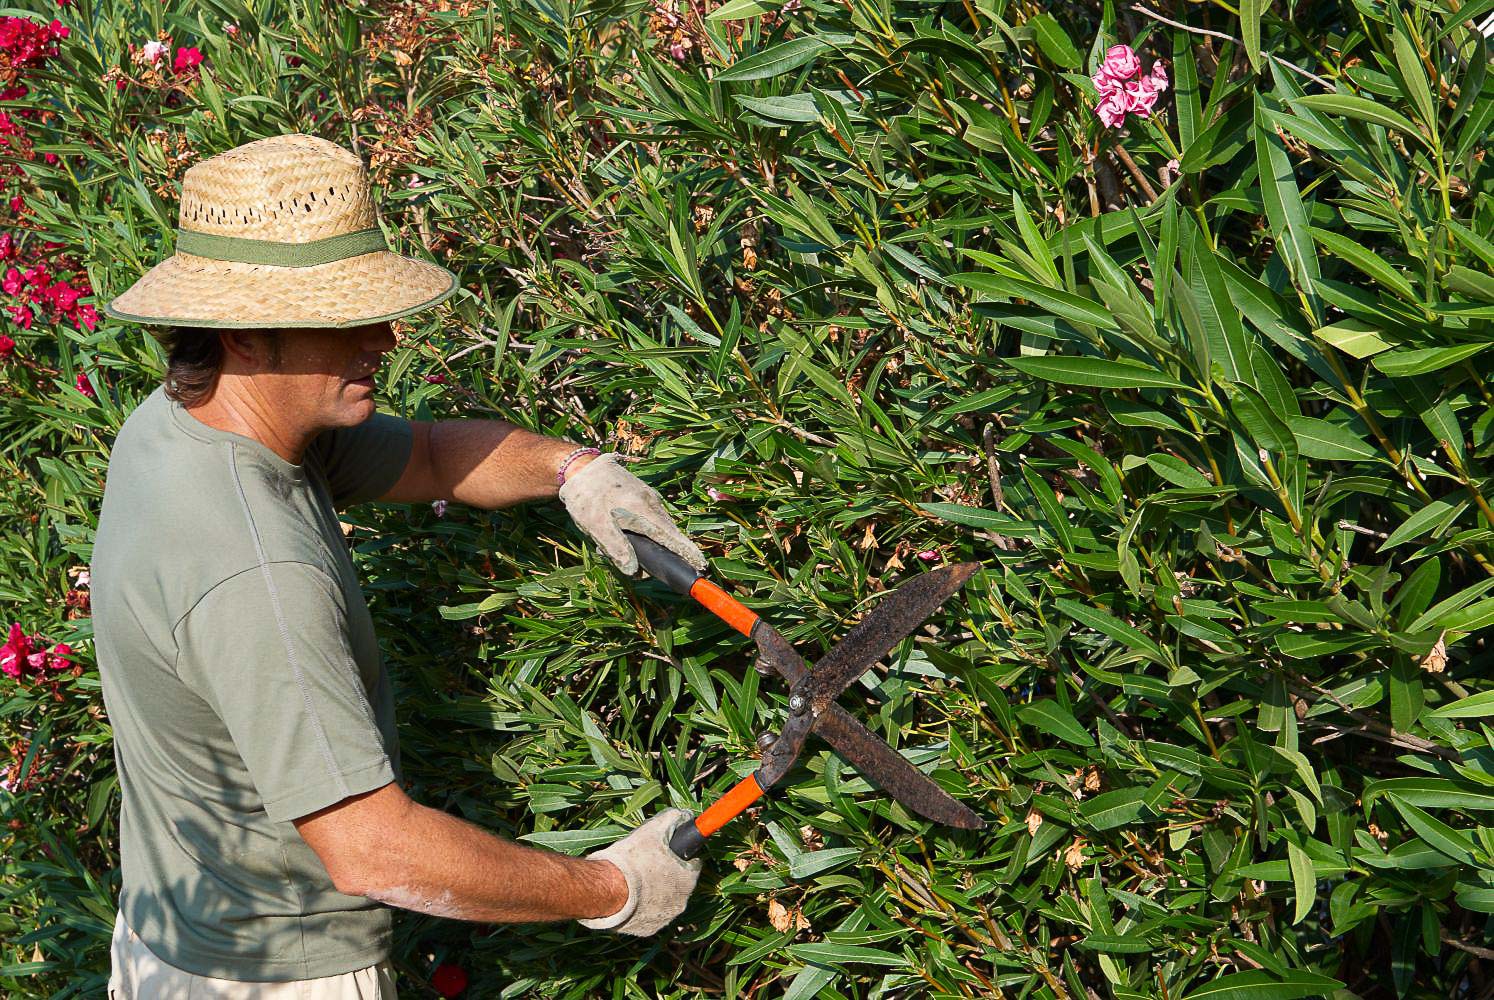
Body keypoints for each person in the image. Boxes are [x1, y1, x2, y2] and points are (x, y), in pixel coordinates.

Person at [92, 133, 705, 998]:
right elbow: (373, 847)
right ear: (242, 335)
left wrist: (574, 471)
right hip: (274, 980)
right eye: (345, 317)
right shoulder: (254, 572)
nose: (385, 335)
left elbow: (422, 455)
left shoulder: (183, 424)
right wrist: (612, 887)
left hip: (172, 935)